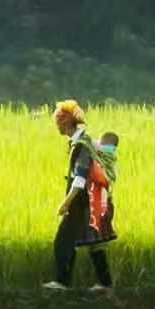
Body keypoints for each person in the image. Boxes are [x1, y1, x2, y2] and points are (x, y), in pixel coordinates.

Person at [45, 99, 117, 294]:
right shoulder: (82, 142)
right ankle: (105, 283)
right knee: (94, 243)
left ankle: (62, 282)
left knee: (63, 240)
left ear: (66, 122)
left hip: (81, 201)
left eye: (58, 121)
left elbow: (80, 177)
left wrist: (66, 202)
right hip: (91, 201)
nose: (56, 125)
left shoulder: (82, 145)